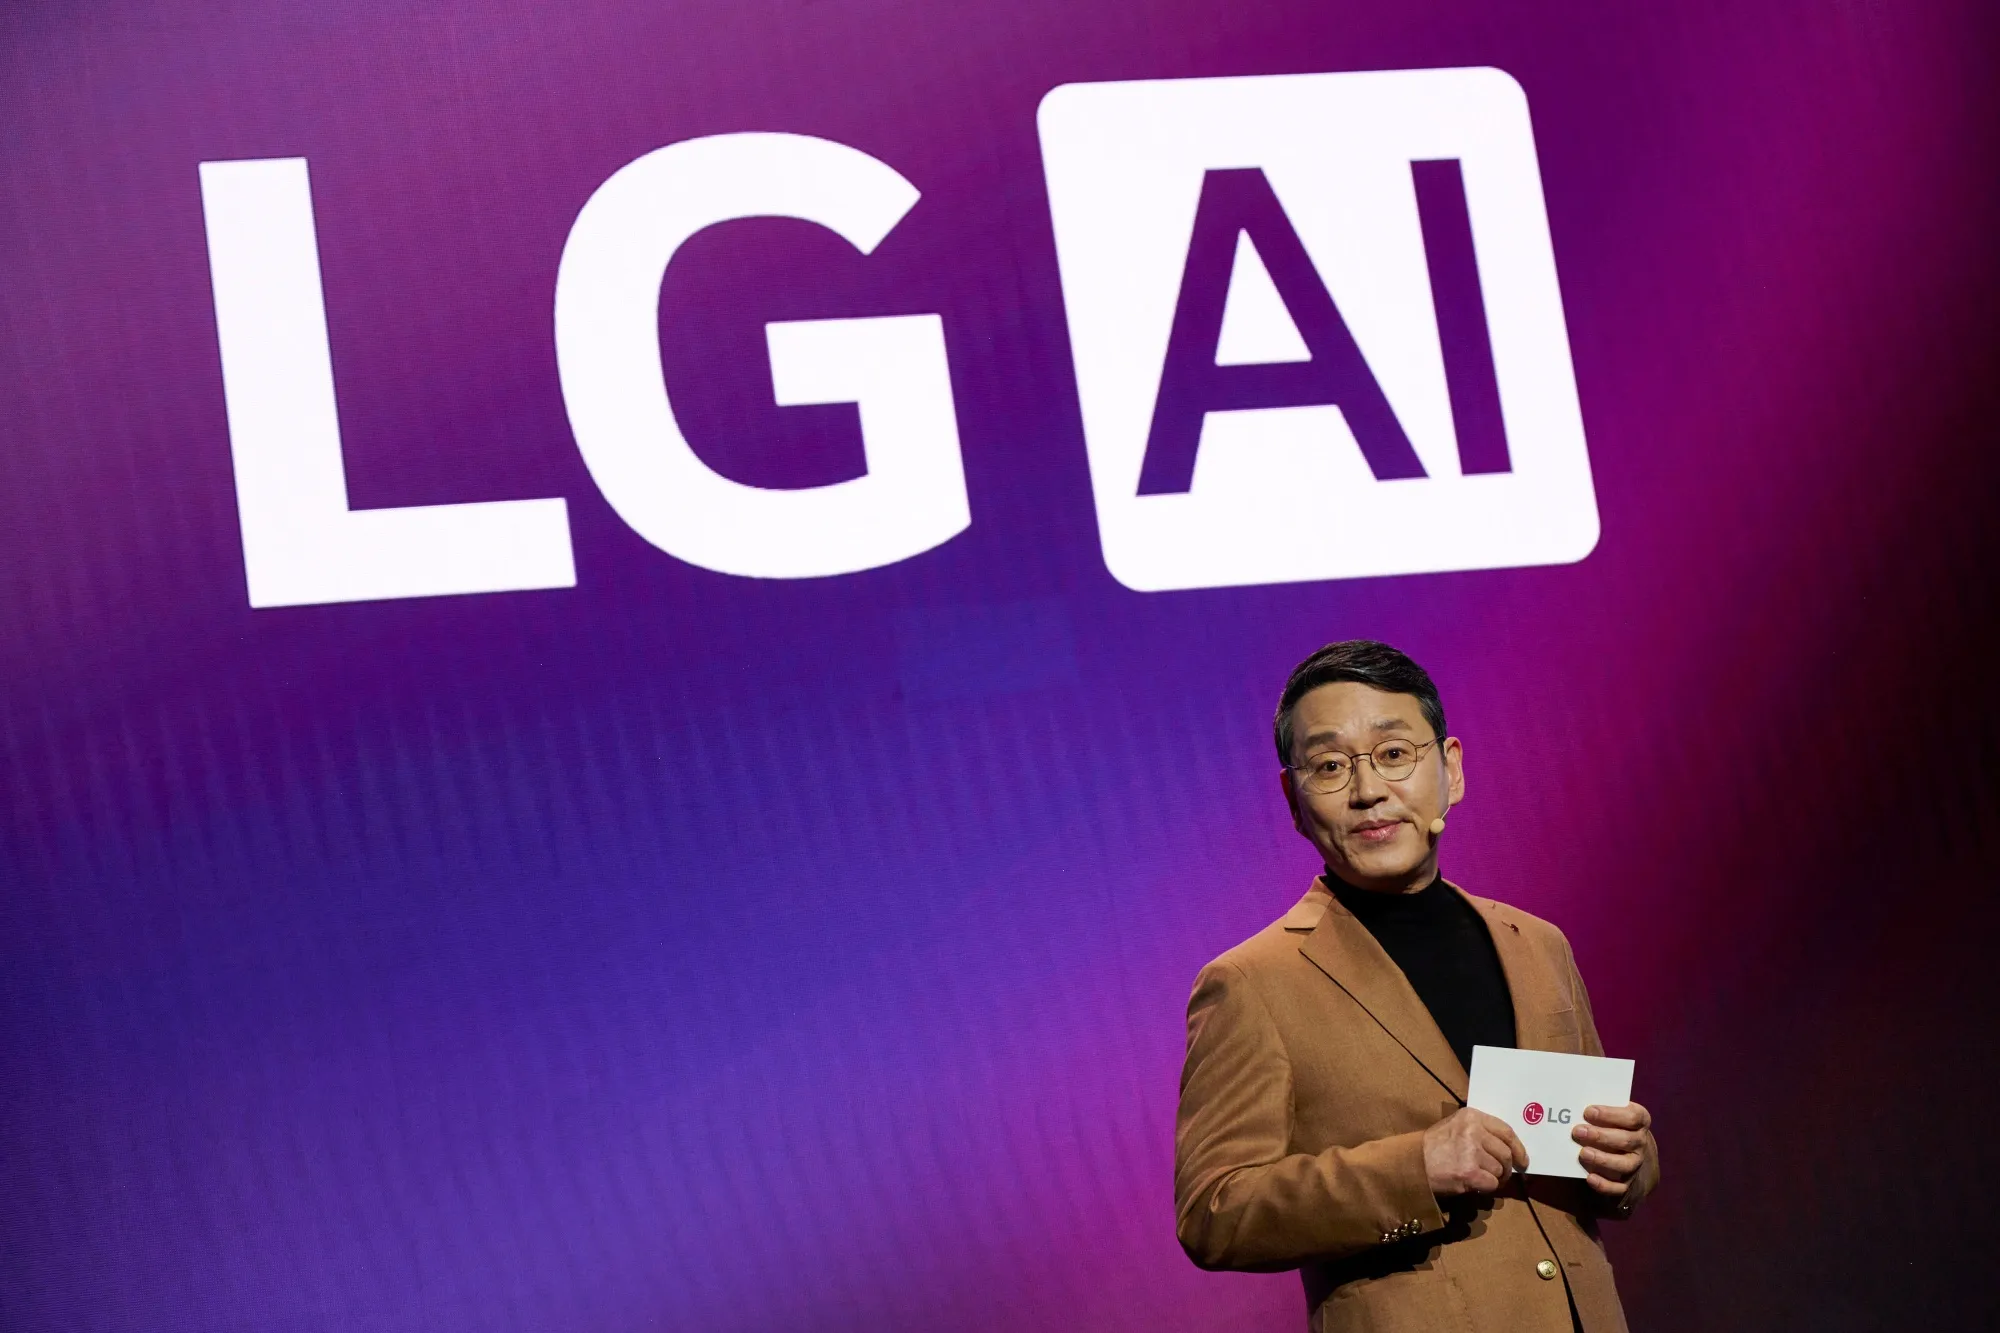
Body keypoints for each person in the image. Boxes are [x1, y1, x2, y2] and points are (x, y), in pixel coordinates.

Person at [1174, 641, 1659, 1333]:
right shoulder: (1251, 983)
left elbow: (1598, 1153)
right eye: (1330, 765)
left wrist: (1631, 1160)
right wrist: (1414, 1168)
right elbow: (1213, 1211)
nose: (1368, 790)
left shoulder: (1538, 944)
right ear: (1293, 800)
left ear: (1450, 768)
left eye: (1394, 753)